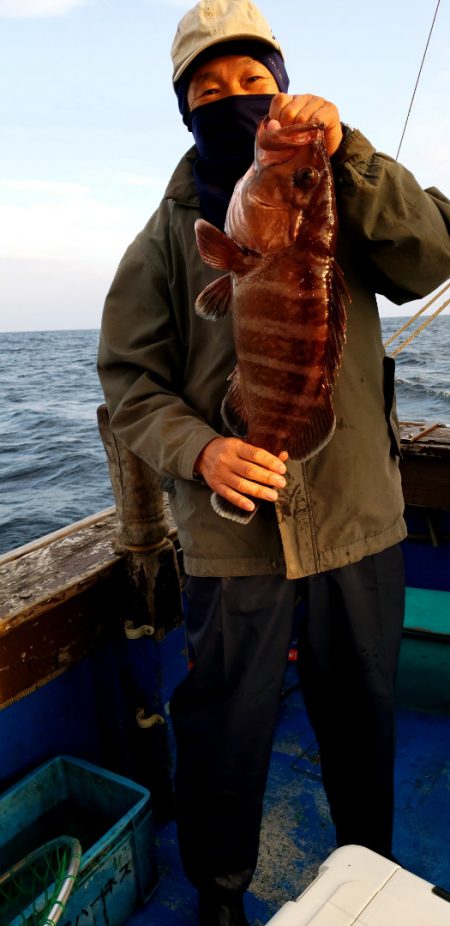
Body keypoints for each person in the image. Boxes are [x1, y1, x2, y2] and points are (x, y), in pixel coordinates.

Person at [98, 2, 450, 923]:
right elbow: (130, 380)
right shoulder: (165, 238)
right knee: (224, 727)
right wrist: (201, 448)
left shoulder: (338, 186)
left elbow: (435, 254)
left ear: (286, 89)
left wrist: (353, 154)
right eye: (208, 90)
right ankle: (220, 893)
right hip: (229, 536)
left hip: (357, 517)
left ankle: (369, 871)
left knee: (362, 715)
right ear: (185, 110)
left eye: (253, 81)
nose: (235, 100)